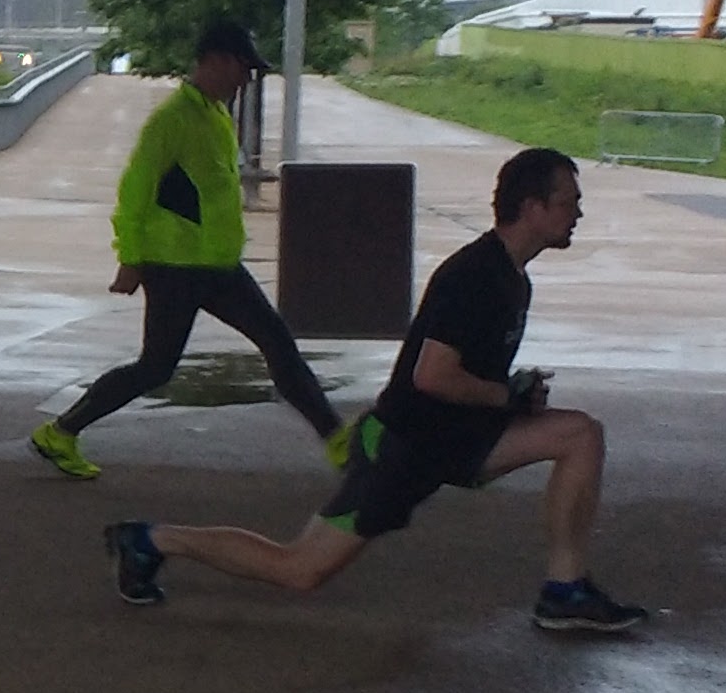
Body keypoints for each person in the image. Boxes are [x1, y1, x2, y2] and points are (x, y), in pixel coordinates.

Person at [104, 145, 649, 634]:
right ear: (532, 208)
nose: (577, 213)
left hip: (457, 440)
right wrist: (505, 397)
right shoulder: (475, 275)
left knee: (580, 435)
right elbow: (432, 376)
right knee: (299, 569)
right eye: (569, 201)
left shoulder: (512, 276)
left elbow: (464, 375)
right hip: (402, 450)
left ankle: (564, 589)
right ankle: (150, 540)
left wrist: (513, 391)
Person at [29, 20, 347, 481]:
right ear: (216, 60)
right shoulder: (173, 118)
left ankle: (338, 441)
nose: (247, 79)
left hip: (216, 264)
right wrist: (130, 258)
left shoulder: (216, 114)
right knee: (155, 367)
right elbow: (135, 189)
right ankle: (60, 432)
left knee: (277, 343)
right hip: (173, 266)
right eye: (243, 68)